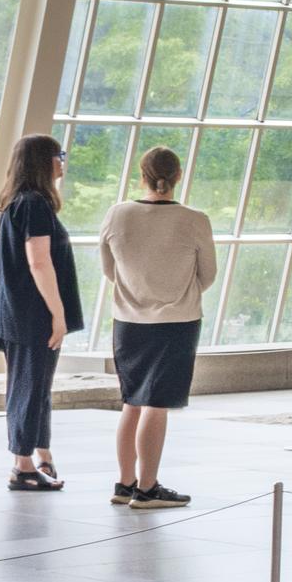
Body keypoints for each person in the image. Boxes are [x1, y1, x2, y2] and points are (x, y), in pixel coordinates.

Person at [97, 146, 219, 508]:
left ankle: (125, 483)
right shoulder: (195, 220)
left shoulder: (117, 214)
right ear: (178, 175)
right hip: (176, 322)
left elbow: (108, 268)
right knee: (156, 403)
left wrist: (135, 291)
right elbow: (208, 274)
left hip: (128, 321)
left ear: (142, 176)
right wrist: (176, 292)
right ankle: (148, 489)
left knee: (132, 402)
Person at [0, 135, 77, 492]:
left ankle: (40, 456)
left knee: (37, 386)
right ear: (43, 161)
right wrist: (58, 313)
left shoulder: (21, 202)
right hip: (33, 313)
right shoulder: (34, 204)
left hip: (21, 311)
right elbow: (39, 262)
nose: (62, 161)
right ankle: (22, 465)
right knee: (29, 386)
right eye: (58, 155)